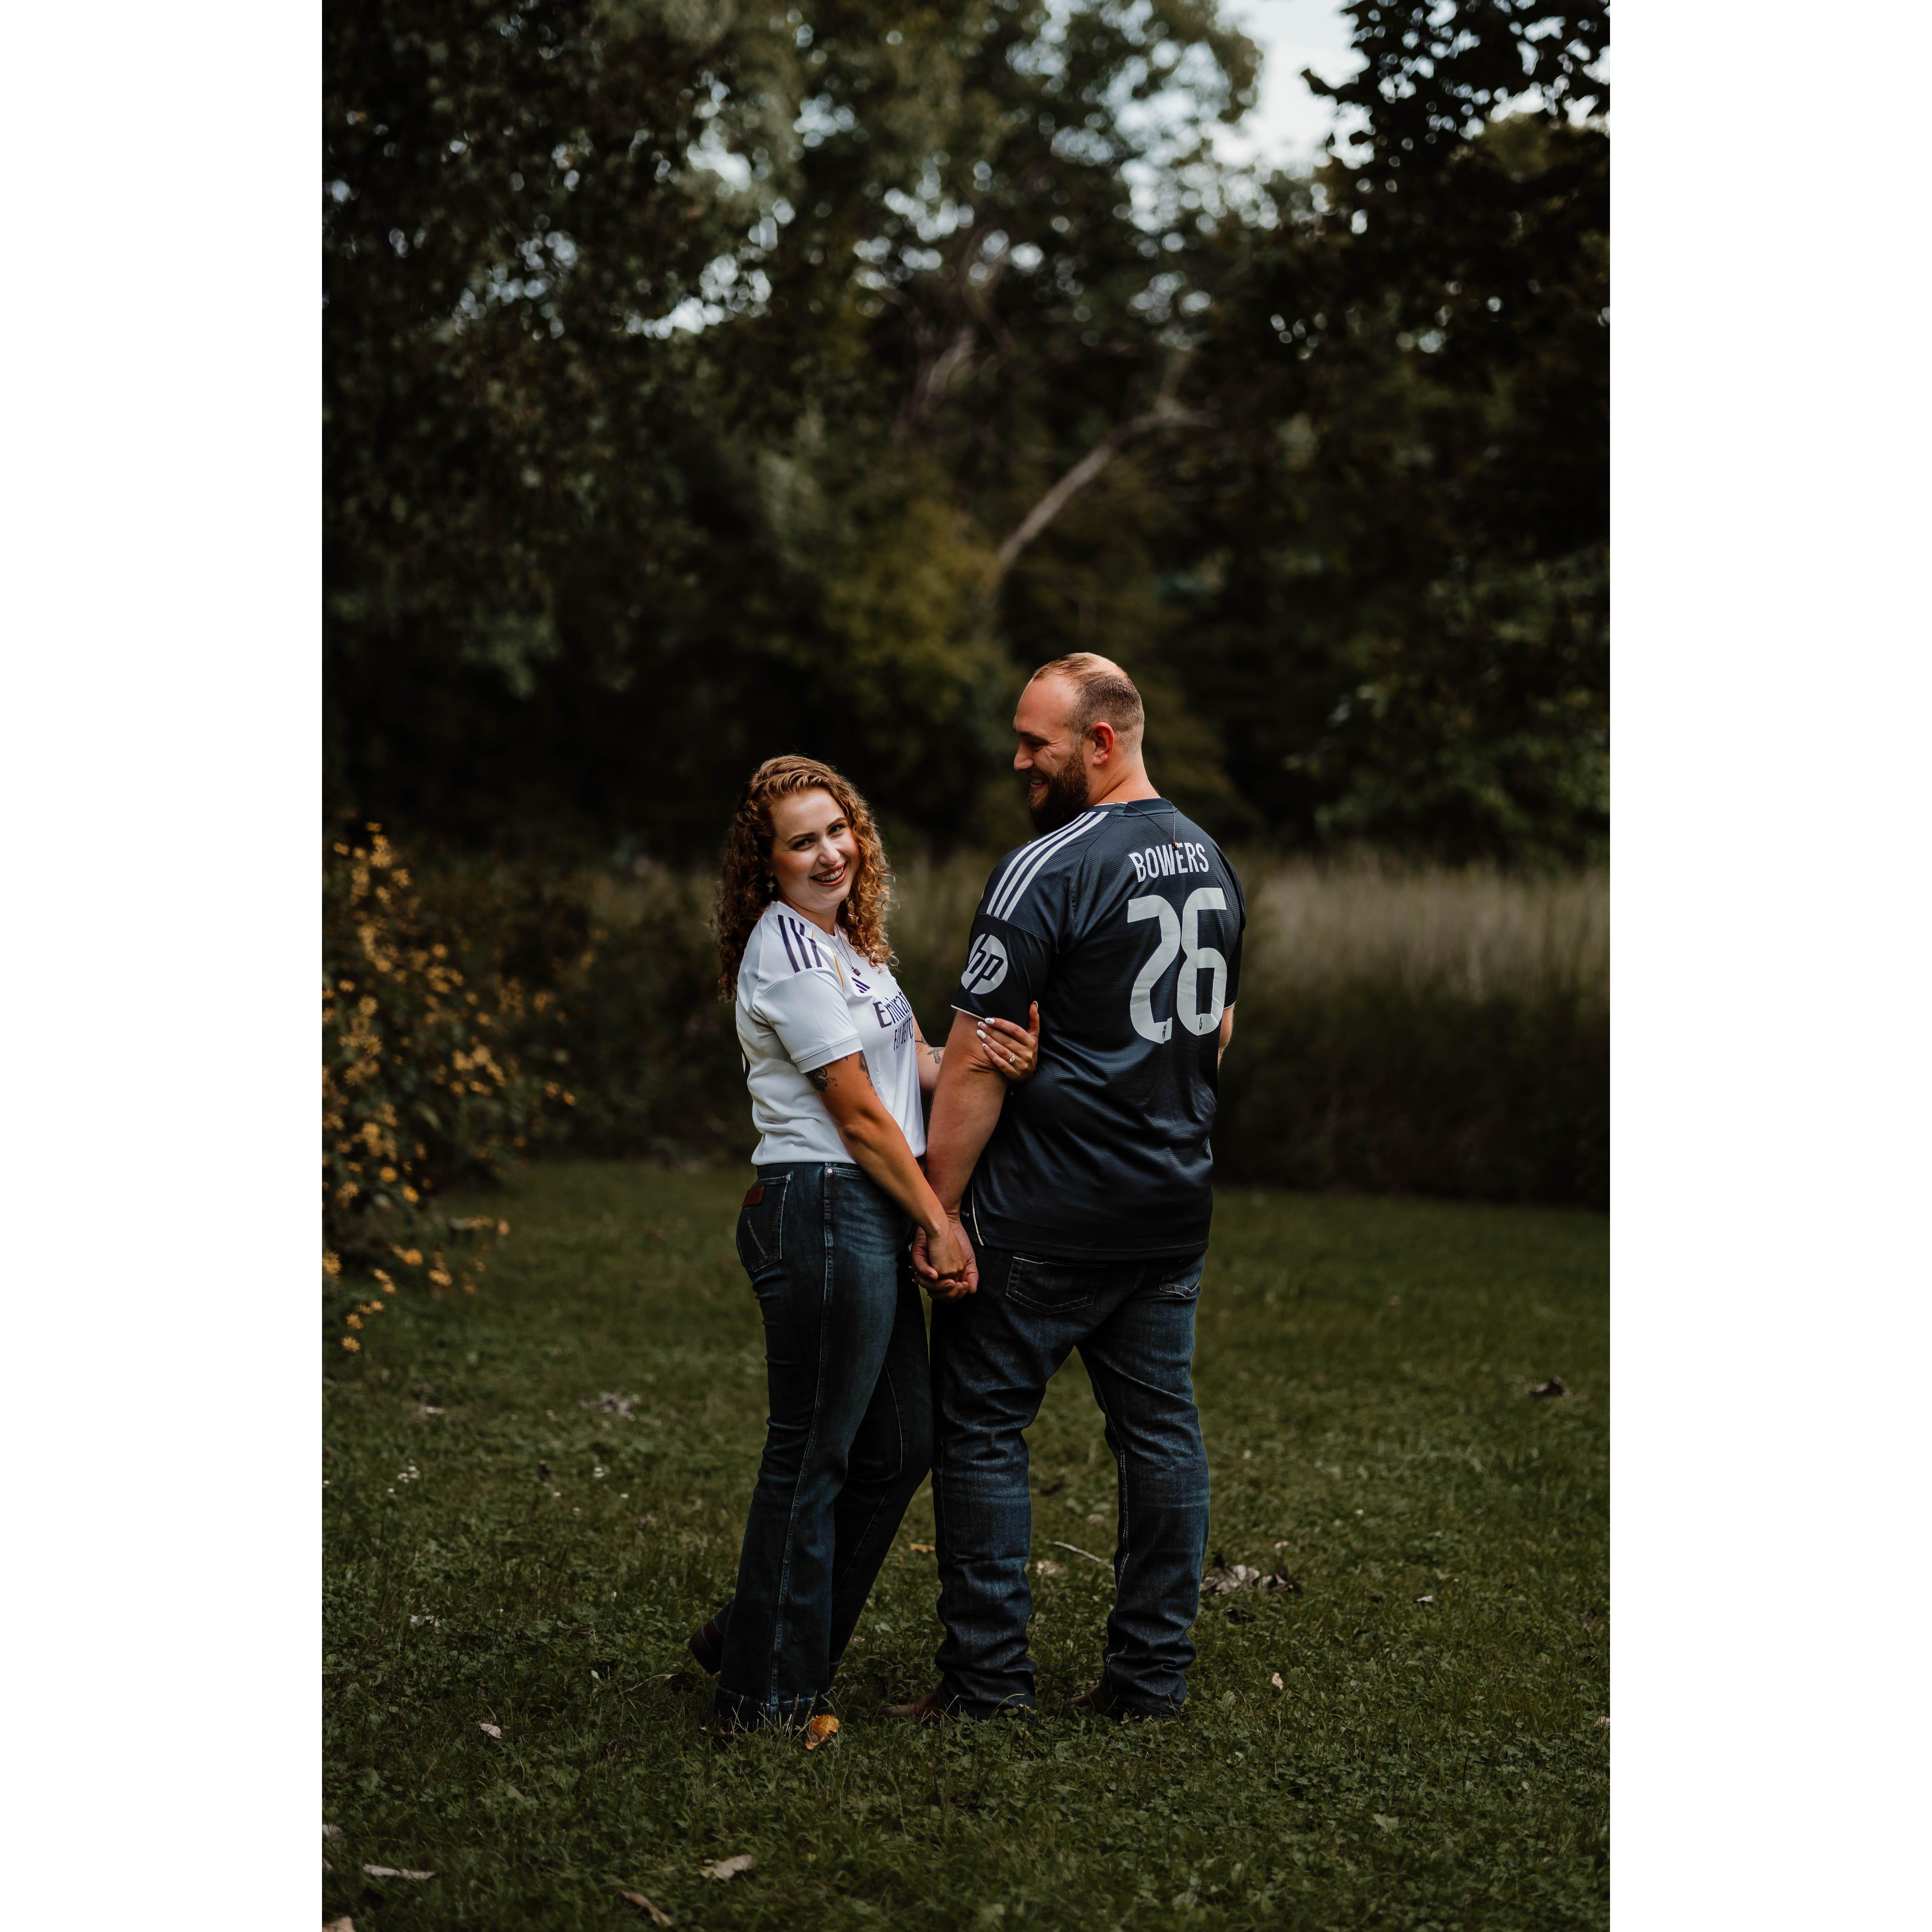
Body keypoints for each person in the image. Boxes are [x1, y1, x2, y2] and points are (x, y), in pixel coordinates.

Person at [897, 654, 1245, 1723]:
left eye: (1034, 743)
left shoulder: (1045, 867)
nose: (1018, 761)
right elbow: (1214, 1033)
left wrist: (938, 1211)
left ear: (1099, 742)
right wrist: (1095, 1070)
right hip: (1169, 1214)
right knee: (1161, 1438)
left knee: (980, 1428)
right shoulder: (1211, 859)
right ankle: (1150, 1684)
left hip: (1045, 1216)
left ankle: (988, 1684)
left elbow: (972, 1057)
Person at [694, 754, 1041, 1730]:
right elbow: (855, 1114)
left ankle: (754, 1635)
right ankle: (765, 1699)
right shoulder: (787, 955)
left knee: (898, 1445)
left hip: (868, 1206)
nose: (829, 854)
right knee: (813, 1455)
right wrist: (939, 1220)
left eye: (838, 830)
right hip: (823, 1205)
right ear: (766, 864)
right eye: (802, 842)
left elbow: (910, 1066)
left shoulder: (850, 947)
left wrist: (997, 1056)